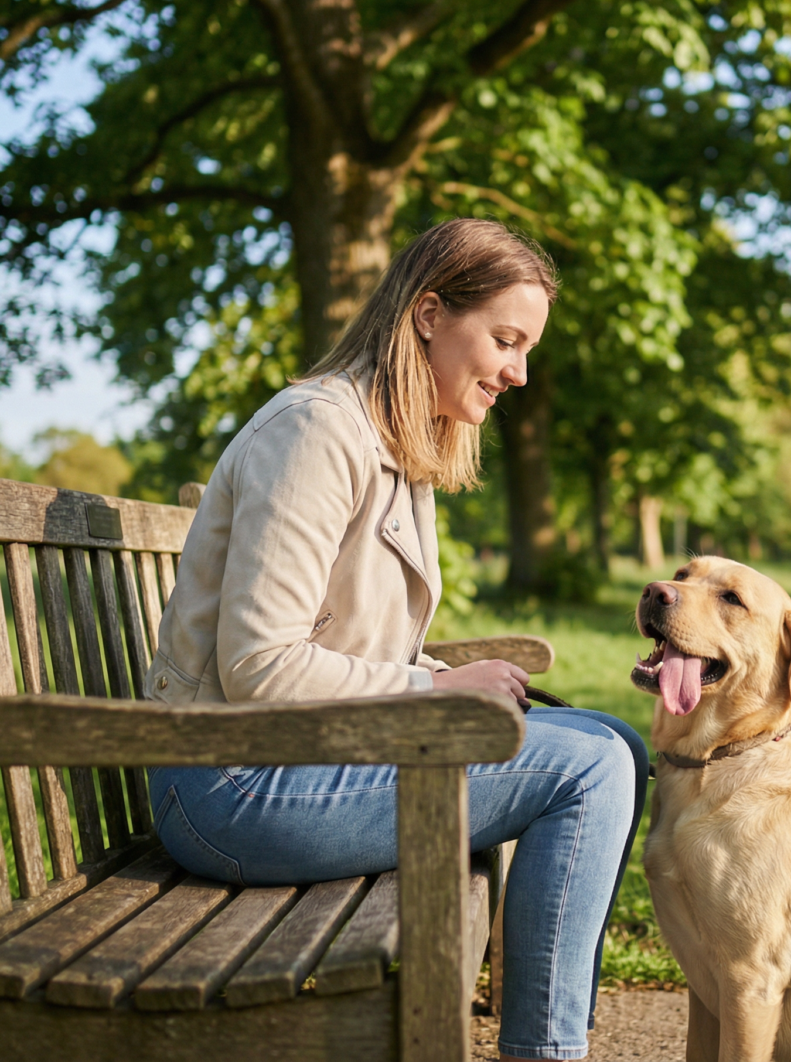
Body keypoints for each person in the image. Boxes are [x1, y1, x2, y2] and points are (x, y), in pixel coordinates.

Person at [143, 219, 648, 1062]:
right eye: (505, 340)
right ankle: (547, 1052)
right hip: (229, 782)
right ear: (426, 315)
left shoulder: (399, 443)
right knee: (589, 768)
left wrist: (438, 675)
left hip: (301, 759)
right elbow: (260, 665)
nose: (518, 372)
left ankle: (557, 1034)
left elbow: (347, 638)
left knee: (616, 743)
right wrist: (440, 690)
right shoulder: (314, 432)